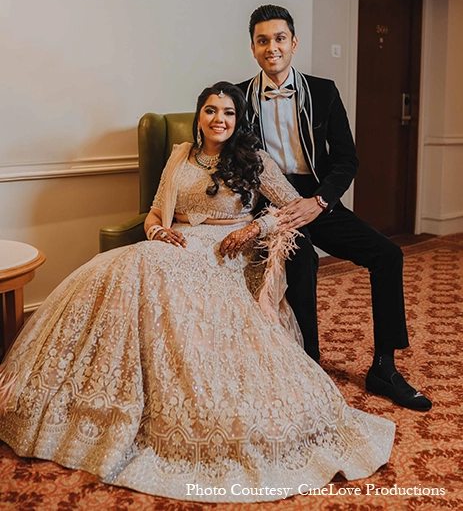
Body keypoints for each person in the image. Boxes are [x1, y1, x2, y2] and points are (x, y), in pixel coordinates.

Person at [0, 82, 394, 502]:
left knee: (154, 269)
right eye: (210, 110)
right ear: (199, 115)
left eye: (228, 112)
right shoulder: (180, 155)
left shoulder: (256, 160)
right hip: (173, 244)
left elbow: (291, 209)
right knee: (125, 266)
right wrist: (157, 231)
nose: (218, 119)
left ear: (238, 120)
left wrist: (252, 229)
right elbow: (156, 210)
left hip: (227, 252)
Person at [237, 5, 431, 412]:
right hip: (270, 204)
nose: (272, 47)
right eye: (262, 40)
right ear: (253, 48)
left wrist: (320, 201)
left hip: (317, 196)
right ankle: (309, 365)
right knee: (303, 259)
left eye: (279, 38)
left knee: (387, 254)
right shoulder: (238, 98)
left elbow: (346, 158)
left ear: (293, 43)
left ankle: (384, 367)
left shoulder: (323, 91)